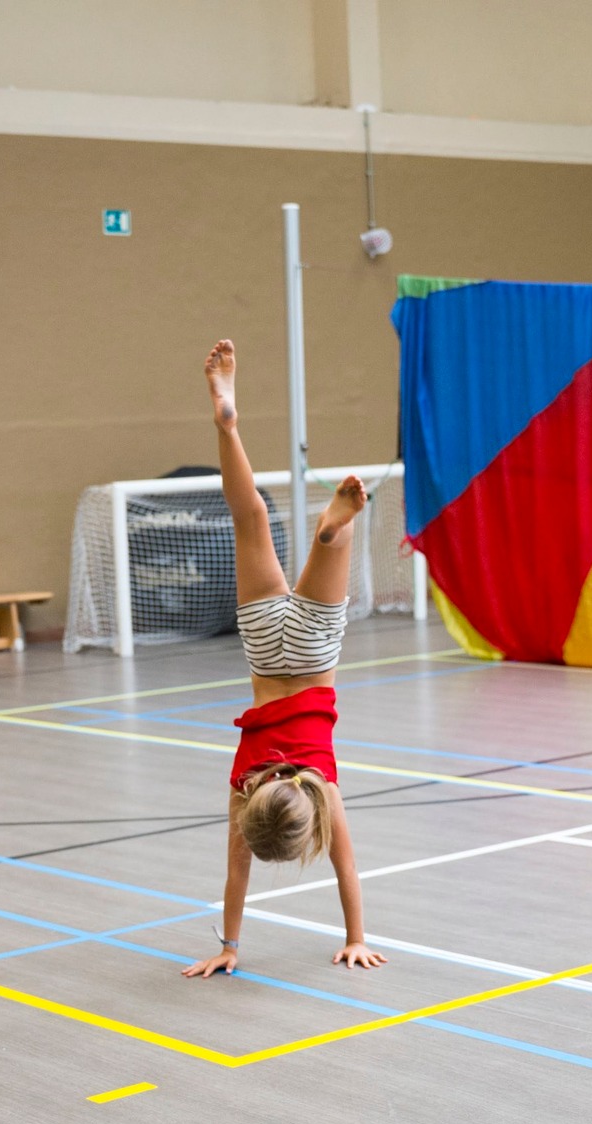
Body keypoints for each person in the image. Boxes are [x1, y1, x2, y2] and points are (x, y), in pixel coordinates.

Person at [182, 340, 388, 978]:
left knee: (331, 551)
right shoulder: (245, 789)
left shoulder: (321, 787)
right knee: (249, 521)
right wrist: (230, 946)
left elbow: (346, 868)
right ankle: (228, 423)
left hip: (314, 650)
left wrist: (356, 936)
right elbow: (235, 871)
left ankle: (336, 531)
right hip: (265, 645)